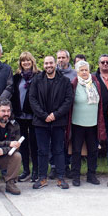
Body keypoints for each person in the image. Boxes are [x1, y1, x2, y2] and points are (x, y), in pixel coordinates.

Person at [29, 55, 74, 190]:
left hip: (58, 121)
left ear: (55, 64)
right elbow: (32, 99)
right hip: (40, 122)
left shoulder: (64, 81)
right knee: (42, 151)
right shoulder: (37, 80)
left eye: (51, 63)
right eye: (46, 63)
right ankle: (42, 178)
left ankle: (61, 178)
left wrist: (55, 115)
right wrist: (44, 116)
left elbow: (68, 100)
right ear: (43, 65)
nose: (48, 65)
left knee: (59, 150)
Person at [68, 60, 106, 186]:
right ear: (77, 72)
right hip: (77, 123)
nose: (84, 72)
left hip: (93, 124)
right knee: (77, 151)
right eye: (81, 70)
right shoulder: (74, 84)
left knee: (93, 150)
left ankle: (91, 175)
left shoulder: (95, 82)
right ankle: (76, 176)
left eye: (86, 70)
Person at [12, 52, 39, 182]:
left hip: (34, 116)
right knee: (22, 143)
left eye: (28, 60)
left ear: (32, 61)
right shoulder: (17, 77)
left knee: (34, 143)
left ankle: (36, 170)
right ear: (20, 63)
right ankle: (26, 170)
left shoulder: (38, 76)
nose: (26, 63)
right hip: (20, 115)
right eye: (23, 61)